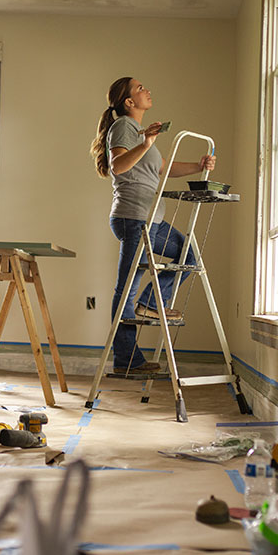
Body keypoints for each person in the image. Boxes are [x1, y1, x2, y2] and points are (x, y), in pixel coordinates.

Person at [90, 77, 216, 374]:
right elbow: (117, 167)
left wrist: (198, 166)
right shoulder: (123, 126)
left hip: (152, 220)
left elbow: (162, 169)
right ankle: (127, 361)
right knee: (126, 290)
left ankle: (149, 302)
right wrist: (146, 142)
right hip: (133, 219)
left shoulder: (138, 131)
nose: (147, 90)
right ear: (129, 102)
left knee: (189, 256)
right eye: (139, 88)